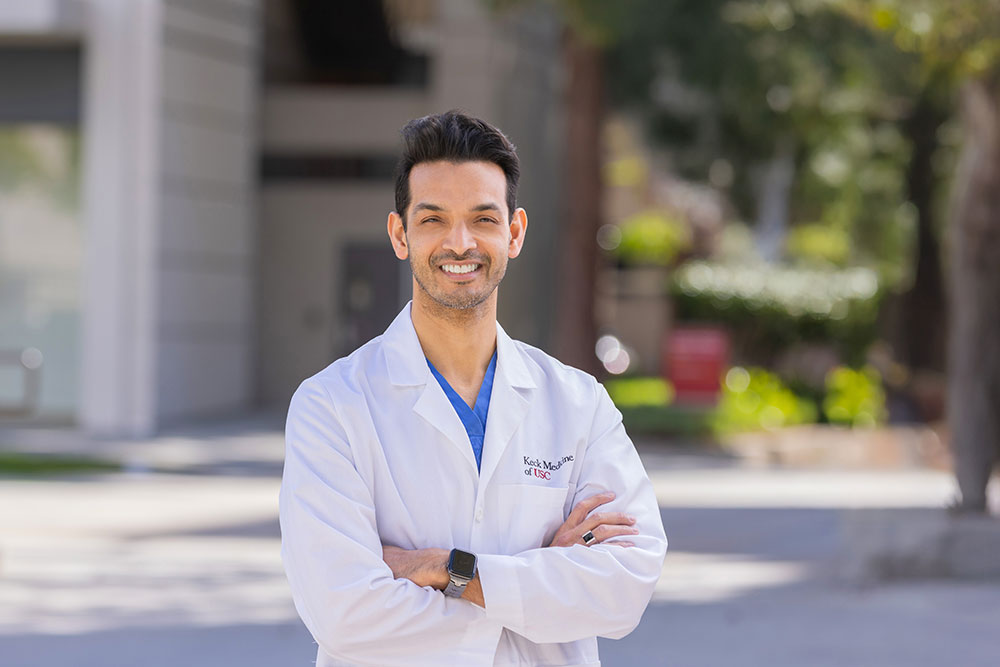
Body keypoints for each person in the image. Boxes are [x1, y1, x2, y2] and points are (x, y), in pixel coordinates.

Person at [279, 110, 667, 667]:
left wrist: (449, 570)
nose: (459, 243)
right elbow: (342, 611)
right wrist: (536, 583)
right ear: (399, 234)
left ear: (514, 233)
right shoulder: (331, 406)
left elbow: (625, 585)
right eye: (433, 219)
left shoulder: (578, 404)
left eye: (483, 219)